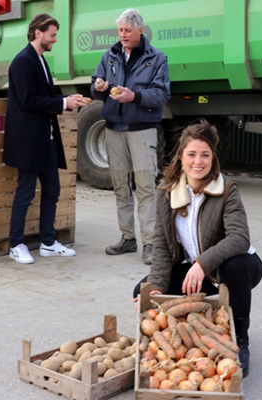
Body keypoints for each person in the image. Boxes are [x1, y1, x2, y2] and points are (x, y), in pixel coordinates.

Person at [133, 119, 262, 377]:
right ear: (181, 157)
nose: (198, 161)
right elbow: (161, 245)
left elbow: (240, 238)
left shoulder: (226, 190)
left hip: (235, 268)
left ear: (213, 158)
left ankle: (241, 341)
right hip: (200, 273)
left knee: (235, 265)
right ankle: (181, 341)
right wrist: (157, 286)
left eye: (205, 155)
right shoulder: (167, 193)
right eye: (191, 154)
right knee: (143, 291)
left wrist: (201, 264)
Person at [3, 13, 87, 264]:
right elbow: (28, 101)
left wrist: (71, 99)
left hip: (46, 139)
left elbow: (48, 94)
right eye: (52, 34)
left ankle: (48, 243)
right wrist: (63, 102)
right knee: (25, 192)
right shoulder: (22, 61)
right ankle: (16, 244)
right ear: (38, 33)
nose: (55, 39)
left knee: (52, 190)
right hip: (28, 141)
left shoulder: (39, 60)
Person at [91, 8, 170, 265]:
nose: (122, 35)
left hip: (142, 130)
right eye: (120, 30)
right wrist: (99, 87)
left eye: (127, 30)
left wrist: (133, 96)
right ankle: (127, 238)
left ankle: (150, 243)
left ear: (139, 30)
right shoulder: (110, 56)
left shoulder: (156, 59)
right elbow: (95, 84)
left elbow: (161, 94)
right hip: (114, 128)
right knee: (120, 186)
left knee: (146, 187)